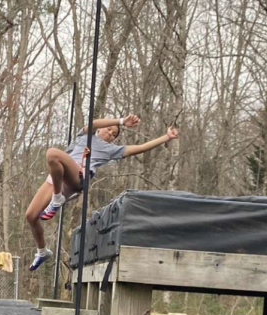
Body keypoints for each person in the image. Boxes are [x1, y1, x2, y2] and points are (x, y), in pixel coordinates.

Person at [26, 115, 179, 270]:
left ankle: (57, 198)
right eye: (109, 130)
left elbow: (140, 148)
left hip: (77, 178)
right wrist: (120, 122)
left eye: (114, 135)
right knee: (31, 216)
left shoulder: (111, 150)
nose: (110, 134)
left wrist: (166, 137)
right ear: (100, 128)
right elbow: (93, 123)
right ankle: (42, 251)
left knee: (52, 153)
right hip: (57, 178)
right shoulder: (85, 136)